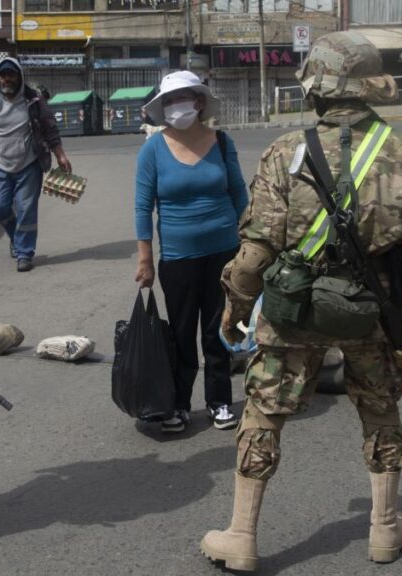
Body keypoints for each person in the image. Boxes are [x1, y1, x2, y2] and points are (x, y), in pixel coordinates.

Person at [200, 31, 402, 571]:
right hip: (373, 314)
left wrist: (236, 306)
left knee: (265, 412)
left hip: (294, 311)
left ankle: (242, 536)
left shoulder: (284, 152)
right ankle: (385, 530)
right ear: (368, 89)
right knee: (380, 409)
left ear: (314, 88)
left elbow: (257, 248)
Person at [134, 71, 249, 433]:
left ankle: (219, 402)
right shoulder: (152, 149)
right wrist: (145, 259)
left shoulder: (222, 142)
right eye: (168, 100)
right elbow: (142, 207)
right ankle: (180, 404)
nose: (175, 105)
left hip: (224, 251)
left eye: (181, 98)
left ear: (199, 102)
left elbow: (239, 195)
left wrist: (250, 245)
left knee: (219, 331)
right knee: (182, 334)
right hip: (179, 258)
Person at [0, 58, 72, 272]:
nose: (7, 79)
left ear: (19, 76)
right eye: (3, 75)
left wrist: (61, 156)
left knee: (26, 209)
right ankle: (16, 237)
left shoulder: (33, 100)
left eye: (11, 74)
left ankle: (25, 253)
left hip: (29, 164)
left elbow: (50, 128)